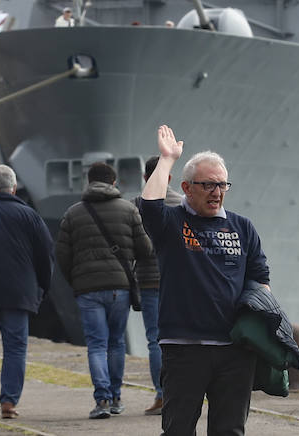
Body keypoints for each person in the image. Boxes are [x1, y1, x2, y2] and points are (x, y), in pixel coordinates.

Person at [138, 124, 270, 436]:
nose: (217, 192)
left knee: (230, 430)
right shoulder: (172, 224)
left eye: (223, 185)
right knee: (178, 428)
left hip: (234, 349)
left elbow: (260, 280)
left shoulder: (242, 227)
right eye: (209, 185)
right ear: (186, 188)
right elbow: (149, 206)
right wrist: (167, 159)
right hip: (184, 348)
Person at [56, 161, 155, 420]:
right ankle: (116, 396)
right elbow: (145, 249)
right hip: (119, 287)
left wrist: (76, 280)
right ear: (114, 183)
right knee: (116, 342)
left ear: (88, 182)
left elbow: (62, 256)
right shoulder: (128, 209)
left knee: (96, 345)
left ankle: (101, 399)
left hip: (87, 289)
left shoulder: (73, 213)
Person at [0, 164, 54, 420]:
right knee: (16, 347)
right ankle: (9, 401)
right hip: (20, 293)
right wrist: (42, 287)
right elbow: (45, 255)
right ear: (14, 188)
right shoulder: (30, 215)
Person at [137, 154, 182, 416]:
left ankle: (162, 394)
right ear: (170, 177)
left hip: (149, 278)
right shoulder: (184, 204)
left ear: (145, 178)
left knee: (155, 340)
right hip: (179, 279)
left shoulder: (137, 205)